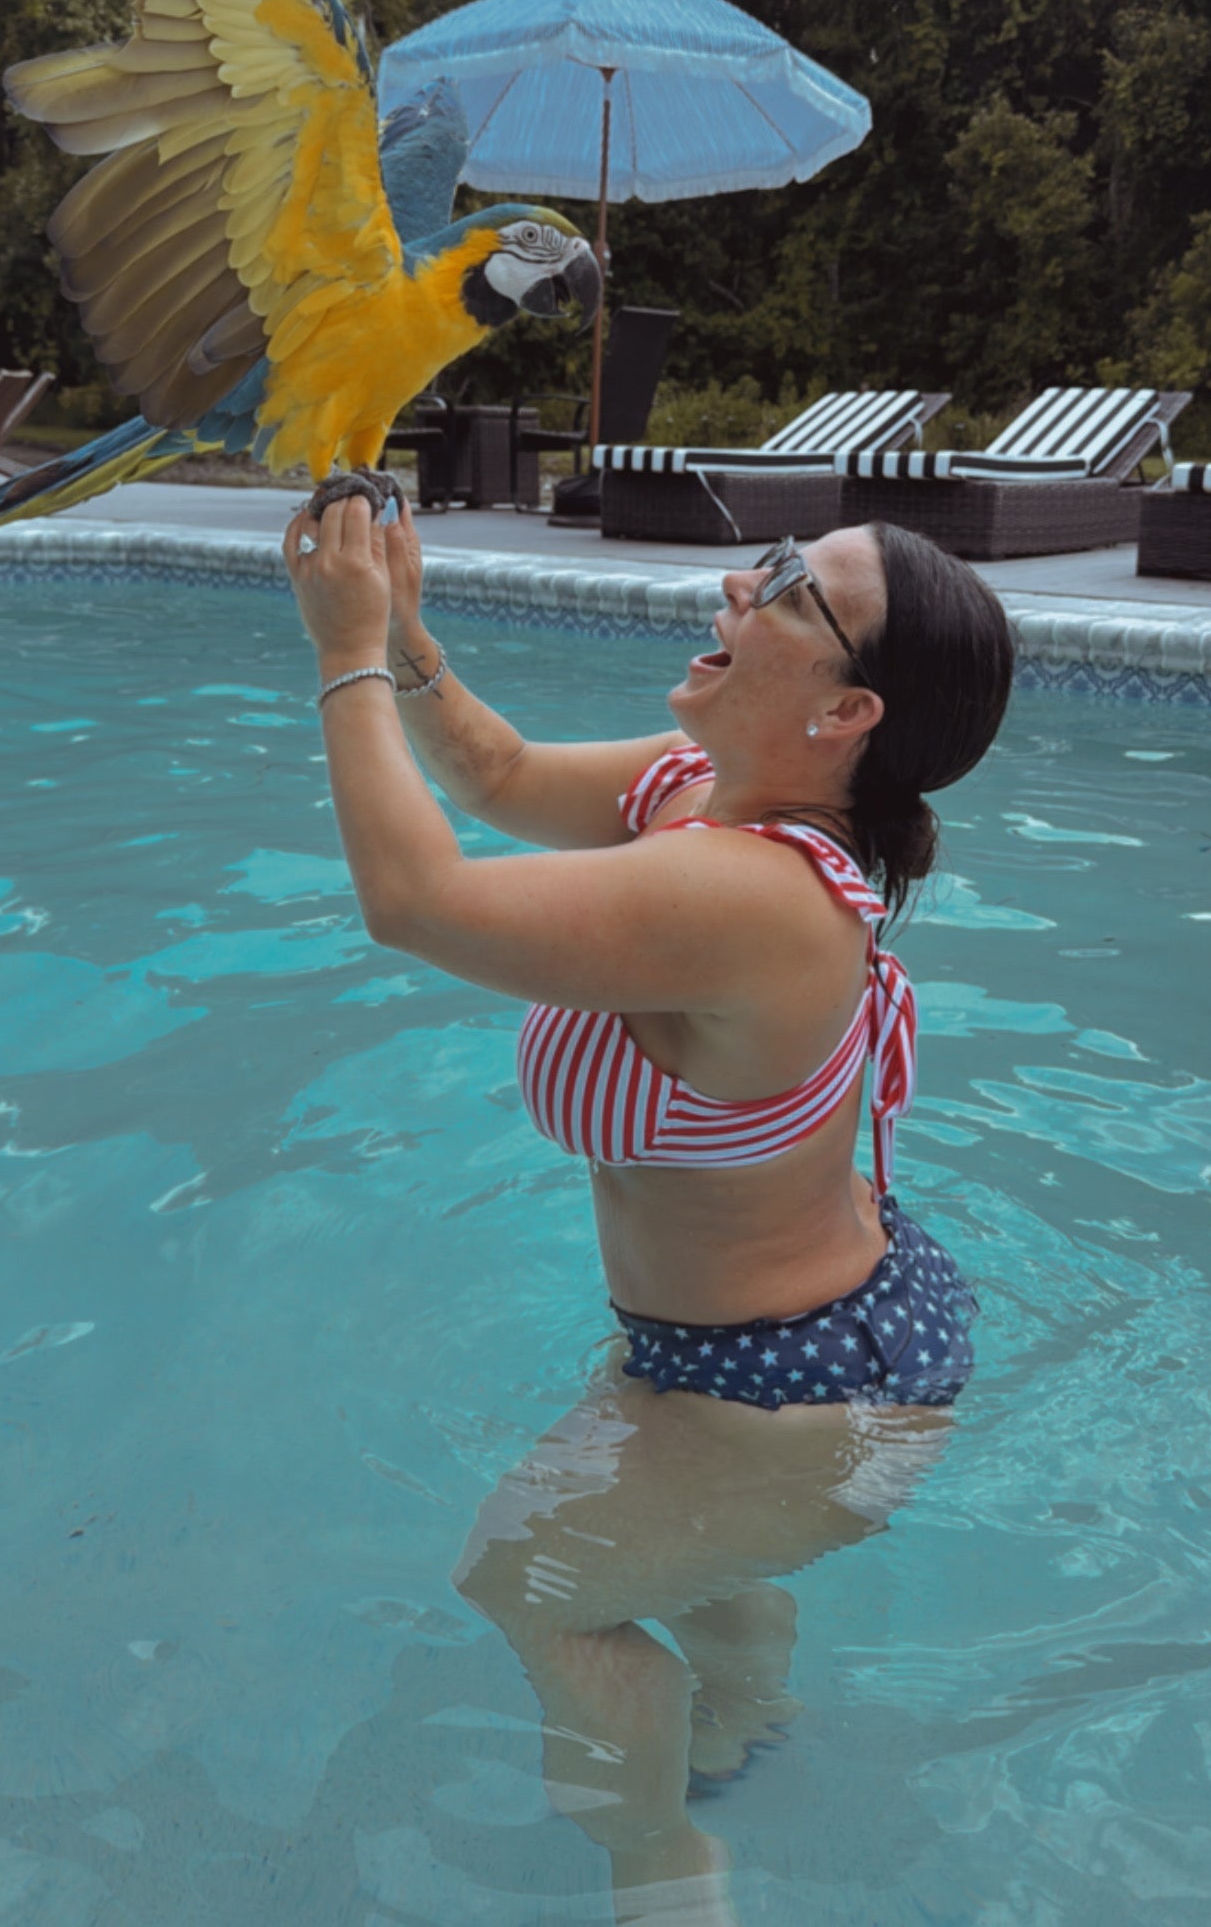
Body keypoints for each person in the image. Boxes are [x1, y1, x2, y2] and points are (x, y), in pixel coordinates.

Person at [283, 493, 1015, 1927]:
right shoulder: (696, 786)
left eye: (796, 587)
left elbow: (413, 896)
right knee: (661, 1534)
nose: (745, 577)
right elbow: (490, 773)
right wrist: (412, 640)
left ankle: (666, 1872)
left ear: (848, 709)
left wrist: (346, 651)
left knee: (531, 1575)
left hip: (803, 1386)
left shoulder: (752, 895)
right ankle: (749, 1708)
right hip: (777, 1330)